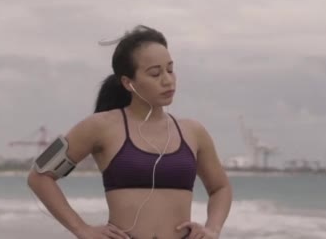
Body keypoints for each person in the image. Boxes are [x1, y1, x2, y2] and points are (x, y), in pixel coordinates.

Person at [28, 25, 232, 239]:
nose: (167, 80)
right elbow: (40, 176)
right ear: (128, 82)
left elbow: (220, 188)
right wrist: (82, 229)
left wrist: (213, 229)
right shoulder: (100, 126)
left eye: (170, 70)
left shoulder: (193, 131)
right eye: (155, 73)